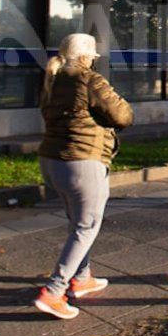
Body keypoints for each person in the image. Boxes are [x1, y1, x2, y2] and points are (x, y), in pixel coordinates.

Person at [34, 33, 134, 320]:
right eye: (91, 57)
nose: (92, 61)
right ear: (85, 57)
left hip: (51, 161)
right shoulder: (88, 79)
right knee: (86, 226)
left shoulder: (51, 80)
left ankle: (83, 277)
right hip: (82, 162)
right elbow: (122, 115)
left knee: (76, 223)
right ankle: (54, 291)